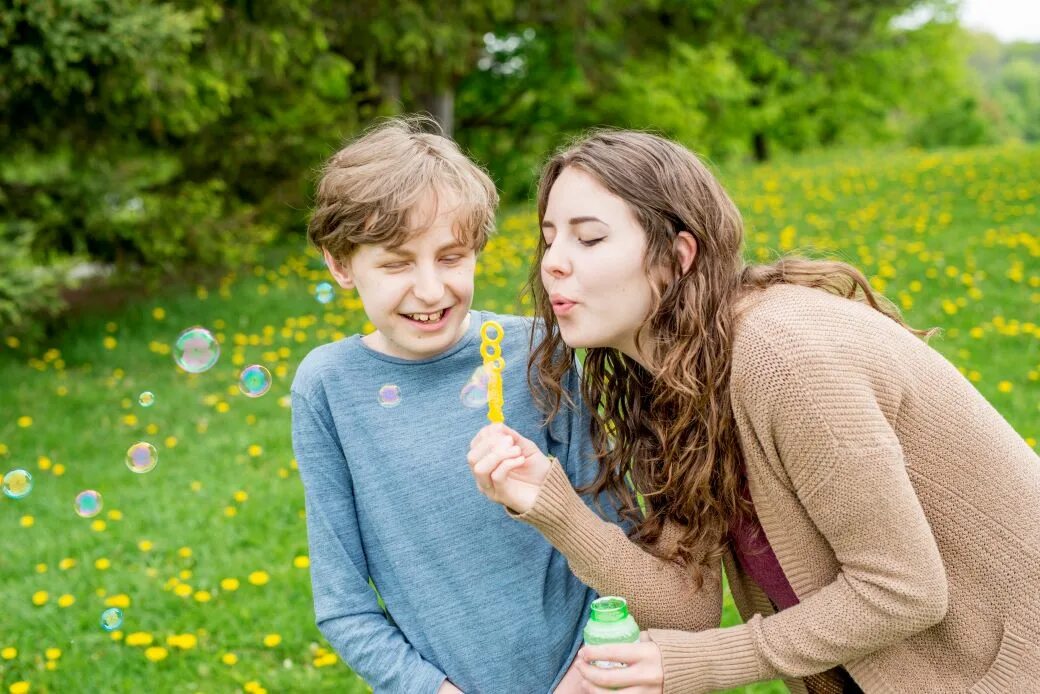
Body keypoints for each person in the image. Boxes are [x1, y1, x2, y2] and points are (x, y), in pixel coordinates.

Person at [467, 129, 1040, 693]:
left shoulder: (783, 360)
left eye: (588, 239)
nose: (553, 265)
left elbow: (903, 589)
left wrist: (706, 661)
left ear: (677, 256)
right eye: (549, 240)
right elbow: (687, 610)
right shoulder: (674, 388)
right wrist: (553, 507)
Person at [292, 117, 604, 693]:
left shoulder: (537, 349)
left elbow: (614, 533)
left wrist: (589, 673)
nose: (432, 290)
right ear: (340, 264)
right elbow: (343, 605)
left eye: (452, 257)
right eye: (395, 263)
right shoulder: (327, 387)